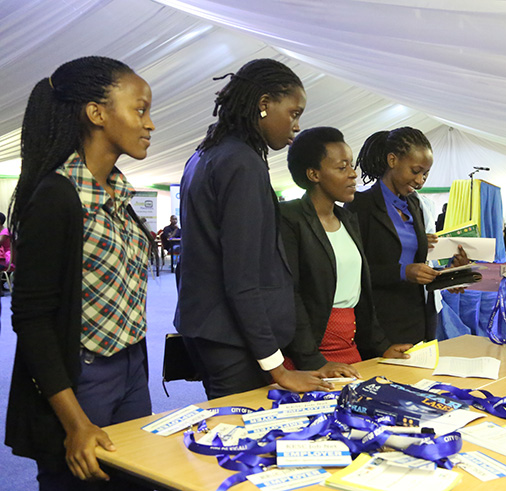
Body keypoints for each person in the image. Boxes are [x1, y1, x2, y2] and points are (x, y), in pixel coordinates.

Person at [6, 56, 155, 490]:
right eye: (140, 109)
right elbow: (32, 319)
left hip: (132, 367)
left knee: (139, 479)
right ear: (96, 113)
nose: (149, 124)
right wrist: (74, 423)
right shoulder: (57, 197)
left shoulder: (119, 195)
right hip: (82, 379)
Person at [175, 59, 331, 400]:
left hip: (208, 330)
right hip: (234, 339)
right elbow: (242, 277)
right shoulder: (242, 162)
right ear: (264, 104)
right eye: (293, 113)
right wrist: (279, 369)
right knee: (241, 429)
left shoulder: (205, 154)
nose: (297, 126)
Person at [279, 127, 414, 372]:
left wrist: (382, 346)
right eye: (342, 168)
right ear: (314, 174)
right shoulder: (289, 218)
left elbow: (362, 295)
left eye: (351, 165)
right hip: (308, 354)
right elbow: (290, 296)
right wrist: (314, 361)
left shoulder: (347, 219)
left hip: (349, 347)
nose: (353, 174)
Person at [345, 127, 466, 344]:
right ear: (392, 160)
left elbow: (419, 264)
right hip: (380, 321)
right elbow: (354, 272)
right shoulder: (361, 206)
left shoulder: (414, 205)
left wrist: (450, 275)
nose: (420, 181)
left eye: (425, 174)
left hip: (420, 316)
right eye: (415, 171)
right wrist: (402, 272)